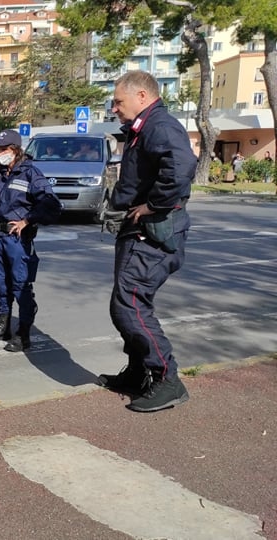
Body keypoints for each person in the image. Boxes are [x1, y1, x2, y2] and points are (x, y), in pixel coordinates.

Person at [97, 70, 196, 413]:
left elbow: (182, 166)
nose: (114, 108)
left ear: (142, 96)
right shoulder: (144, 128)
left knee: (130, 304)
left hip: (152, 233)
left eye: (118, 101)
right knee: (125, 303)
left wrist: (153, 205)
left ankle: (167, 378)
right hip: (139, 231)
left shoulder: (160, 126)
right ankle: (140, 373)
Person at [0, 129, 62, 352]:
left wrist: (27, 221)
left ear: (15, 150)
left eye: (4, 149)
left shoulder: (30, 174)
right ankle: (3, 325)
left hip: (17, 240)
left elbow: (51, 203)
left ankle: (23, 332)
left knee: (21, 285)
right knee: (1, 284)